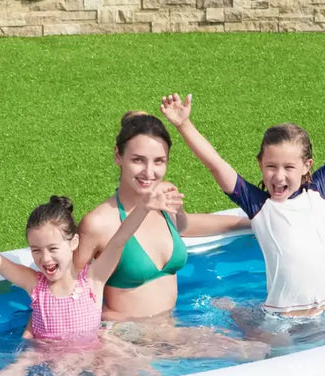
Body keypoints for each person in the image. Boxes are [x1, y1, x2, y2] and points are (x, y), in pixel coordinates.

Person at [159, 66, 325, 341]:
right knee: (278, 350)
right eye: (271, 166)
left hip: (323, 316)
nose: (279, 176)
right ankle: (237, 313)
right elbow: (216, 164)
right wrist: (184, 125)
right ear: (260, 164)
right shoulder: (260, 206)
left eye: (289, 167)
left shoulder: (320, 191)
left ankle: (239, 312)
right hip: (279, 321)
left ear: (306, 165)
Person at [0, 189, 181, 376]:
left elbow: (120, 238)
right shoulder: (35, 285)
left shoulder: (94, 280)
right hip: (44, 353)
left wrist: (144, 207)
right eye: (36, 250)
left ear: (73, 243)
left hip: (93, 349)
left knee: (142, 373)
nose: (45, 258)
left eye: (53, 249)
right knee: (17, 369)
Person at [73, 111, 268, 361]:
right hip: (124, 339)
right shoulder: (98, 223)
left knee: (262, 346)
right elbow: (68, 290)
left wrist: (252, 222)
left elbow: (184, 226)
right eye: (138, 160)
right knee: (252, 353)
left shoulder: (164, 197)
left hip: (170, 329)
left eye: (159, 161)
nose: (149, 172)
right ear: (117, 156)